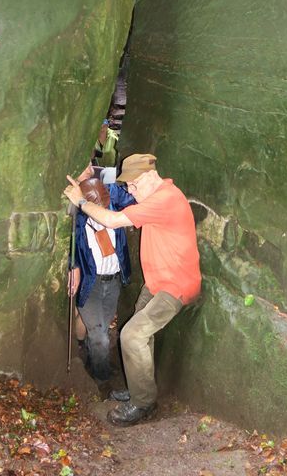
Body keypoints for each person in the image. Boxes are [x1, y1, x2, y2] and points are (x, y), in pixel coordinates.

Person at [64, 153, 201, 426]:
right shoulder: (154, 195)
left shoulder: (164, 199)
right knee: (140, 335)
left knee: (133, 334)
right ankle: (140, 388)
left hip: (174, 287)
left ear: (150, 177)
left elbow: (113, 221)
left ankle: (143, 404)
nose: (132, 192)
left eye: (135, 185)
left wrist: (80, 200)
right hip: (156, 283)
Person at [68, 177, 134, 383]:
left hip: (113, 282)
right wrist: (73, 266)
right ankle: (101, 379)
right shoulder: (79, 225)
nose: (99, 204)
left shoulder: (115, 216)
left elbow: (131, 198)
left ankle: (93, 360)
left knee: (102, 331)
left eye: (102, 199)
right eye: (93, 201)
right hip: (91, 283)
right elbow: (68, 248)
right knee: (100, 337)